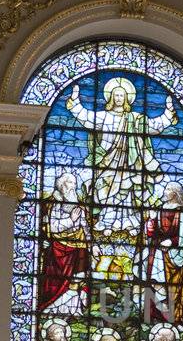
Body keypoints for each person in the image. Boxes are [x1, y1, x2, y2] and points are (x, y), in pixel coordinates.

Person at [66, 76, 176, 237]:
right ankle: (107, 221)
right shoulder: (103, 116)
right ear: (110, 97)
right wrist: (75, 103)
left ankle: (129, 222)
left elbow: (154, 126)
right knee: (108, 190)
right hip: (107, 160)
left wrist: (168, 113)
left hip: (131, 162)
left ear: (127, 98)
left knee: (127, 193)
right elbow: (86, 117)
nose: (118, 98)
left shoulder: (136, 119)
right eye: (116, 95)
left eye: (121, 95)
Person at [40, 169, 90, 313]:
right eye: (70, 183)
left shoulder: (78, 205)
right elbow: (54, 227)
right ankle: (53, 309)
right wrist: (70, 220)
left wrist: (92, 245)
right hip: (58, 249)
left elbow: (85, 226)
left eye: (74, 183)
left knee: (77, 280)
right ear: (61, 185)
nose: (73, 186)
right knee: (58, 282)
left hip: (78, 248)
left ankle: (74, 310)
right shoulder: (54, 204)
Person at [144, 181, 183, 323]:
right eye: (165, 188)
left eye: (169, 189)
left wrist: (171, 242)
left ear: (176, 194)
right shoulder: (160, 209)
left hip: (173, 255)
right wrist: (150, 225)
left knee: (168, 285)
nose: (165, 191)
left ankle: (172, 316)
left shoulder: (182, 212)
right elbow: (154, 232)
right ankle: (158, 313)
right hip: (159, 251)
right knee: (153, 280)